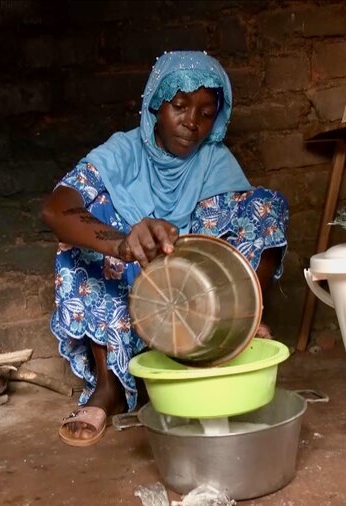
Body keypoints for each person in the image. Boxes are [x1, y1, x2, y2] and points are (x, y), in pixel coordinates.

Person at [40, 50, 289, 447]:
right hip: (130, 281)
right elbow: (56, 207)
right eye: (180, 106)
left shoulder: (213, 160)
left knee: (263, 207)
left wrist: (185, 247)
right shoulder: (123, 151)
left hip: (195, 296)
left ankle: (239, 329)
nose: (192, 123)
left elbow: (242, 228)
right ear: (156, 105)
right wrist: (121, 243)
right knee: (78, 234)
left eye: (206, 113)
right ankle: (109, 387)